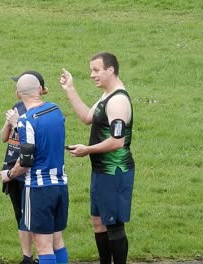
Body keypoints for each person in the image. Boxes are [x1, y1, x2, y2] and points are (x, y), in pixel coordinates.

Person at [59, 52, 134, 264]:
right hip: (101, 171)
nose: (92, 74)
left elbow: (117, 141)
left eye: (96, 70)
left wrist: (87, 149)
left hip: (115, 171)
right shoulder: (106, 95)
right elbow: (86, 118)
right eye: (91, 70)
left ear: (111, 70)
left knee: (114, 224)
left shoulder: (118, 101)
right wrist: (70, 90)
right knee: (98, 222)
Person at [0, 74, 69, 264]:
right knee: (57, 240)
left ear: (17, 93)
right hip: (60, 184)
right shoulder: (56, 110)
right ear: (40, 89)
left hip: (39, 189)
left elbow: (25, 161)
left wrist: (9, 174)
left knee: (43, 245)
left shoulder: (26, 121)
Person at [0, 70, 49, 264]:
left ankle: (38, 256)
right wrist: (8, 122)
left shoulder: (41, 111)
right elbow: (3, 138)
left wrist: (17, 123)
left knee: (32, 217)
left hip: (27, 171)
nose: (16, 89)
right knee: (20, 214)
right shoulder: (17, 106)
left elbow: (31, 143)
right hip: (11, 169)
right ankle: (27, 257)